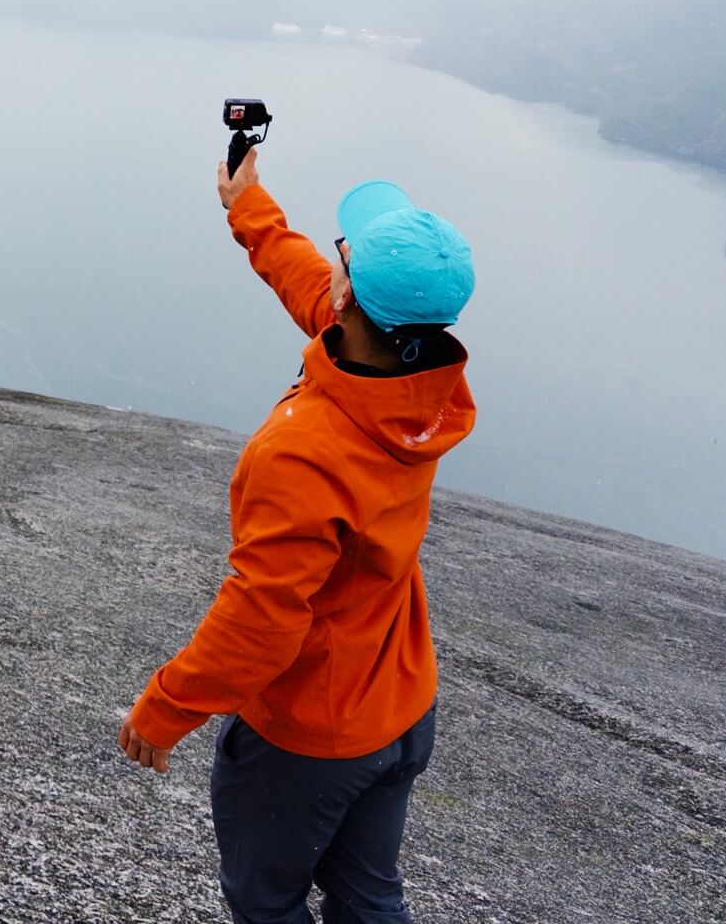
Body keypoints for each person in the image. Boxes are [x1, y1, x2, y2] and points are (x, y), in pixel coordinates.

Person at [116, 144, 477, 924]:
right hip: (402, 707)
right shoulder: (418, 385)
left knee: (265, 898)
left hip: (310, 741)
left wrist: (168, 705)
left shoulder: (304, 452)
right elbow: (303, 278)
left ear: (348, 296)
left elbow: (262, 616)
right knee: (368, 896)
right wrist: (247, 206)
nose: (332, 270)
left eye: (343, 260)